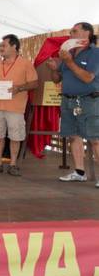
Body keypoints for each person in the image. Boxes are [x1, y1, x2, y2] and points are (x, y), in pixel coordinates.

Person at [46, 22, 98, 188]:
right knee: (73, 136)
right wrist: (54, 69)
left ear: (87, 34)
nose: (70, 34)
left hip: (89, 101)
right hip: (68, 100)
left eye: (74, 31)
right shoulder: (69, 53)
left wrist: (68, 62)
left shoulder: (95, 53)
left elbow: (88, 78)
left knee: (95, 139)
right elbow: (56, 79)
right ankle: (79, 172)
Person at [0, 34, 38, 176]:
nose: (1, 48)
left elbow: (34, 83)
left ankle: (13, 164)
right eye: (0, 46)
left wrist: (18, 88)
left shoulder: (25, 63)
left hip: (16, 107)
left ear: (14, 46)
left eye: (4, 45)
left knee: (16, 136)